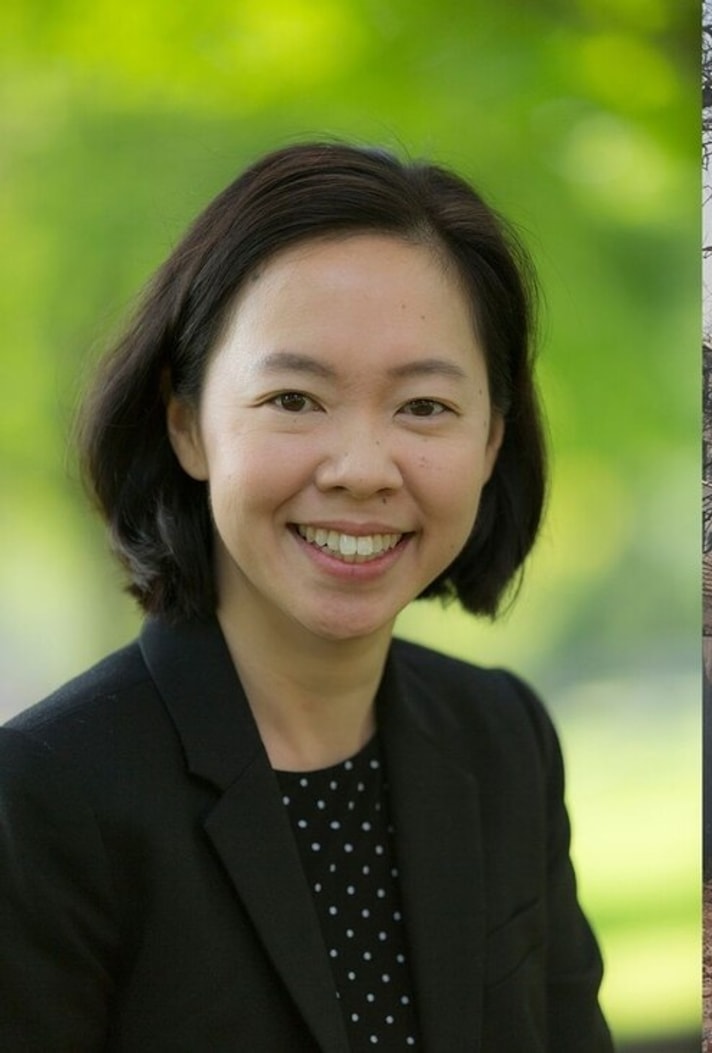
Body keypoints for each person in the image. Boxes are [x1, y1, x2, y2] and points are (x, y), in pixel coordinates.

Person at [0, 142, 612, 1051]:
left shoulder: (504, 736)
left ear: (490, 443)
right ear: (187, 424)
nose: (361, 470)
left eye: (424, 407)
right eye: (294, 398)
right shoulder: (46, 794)